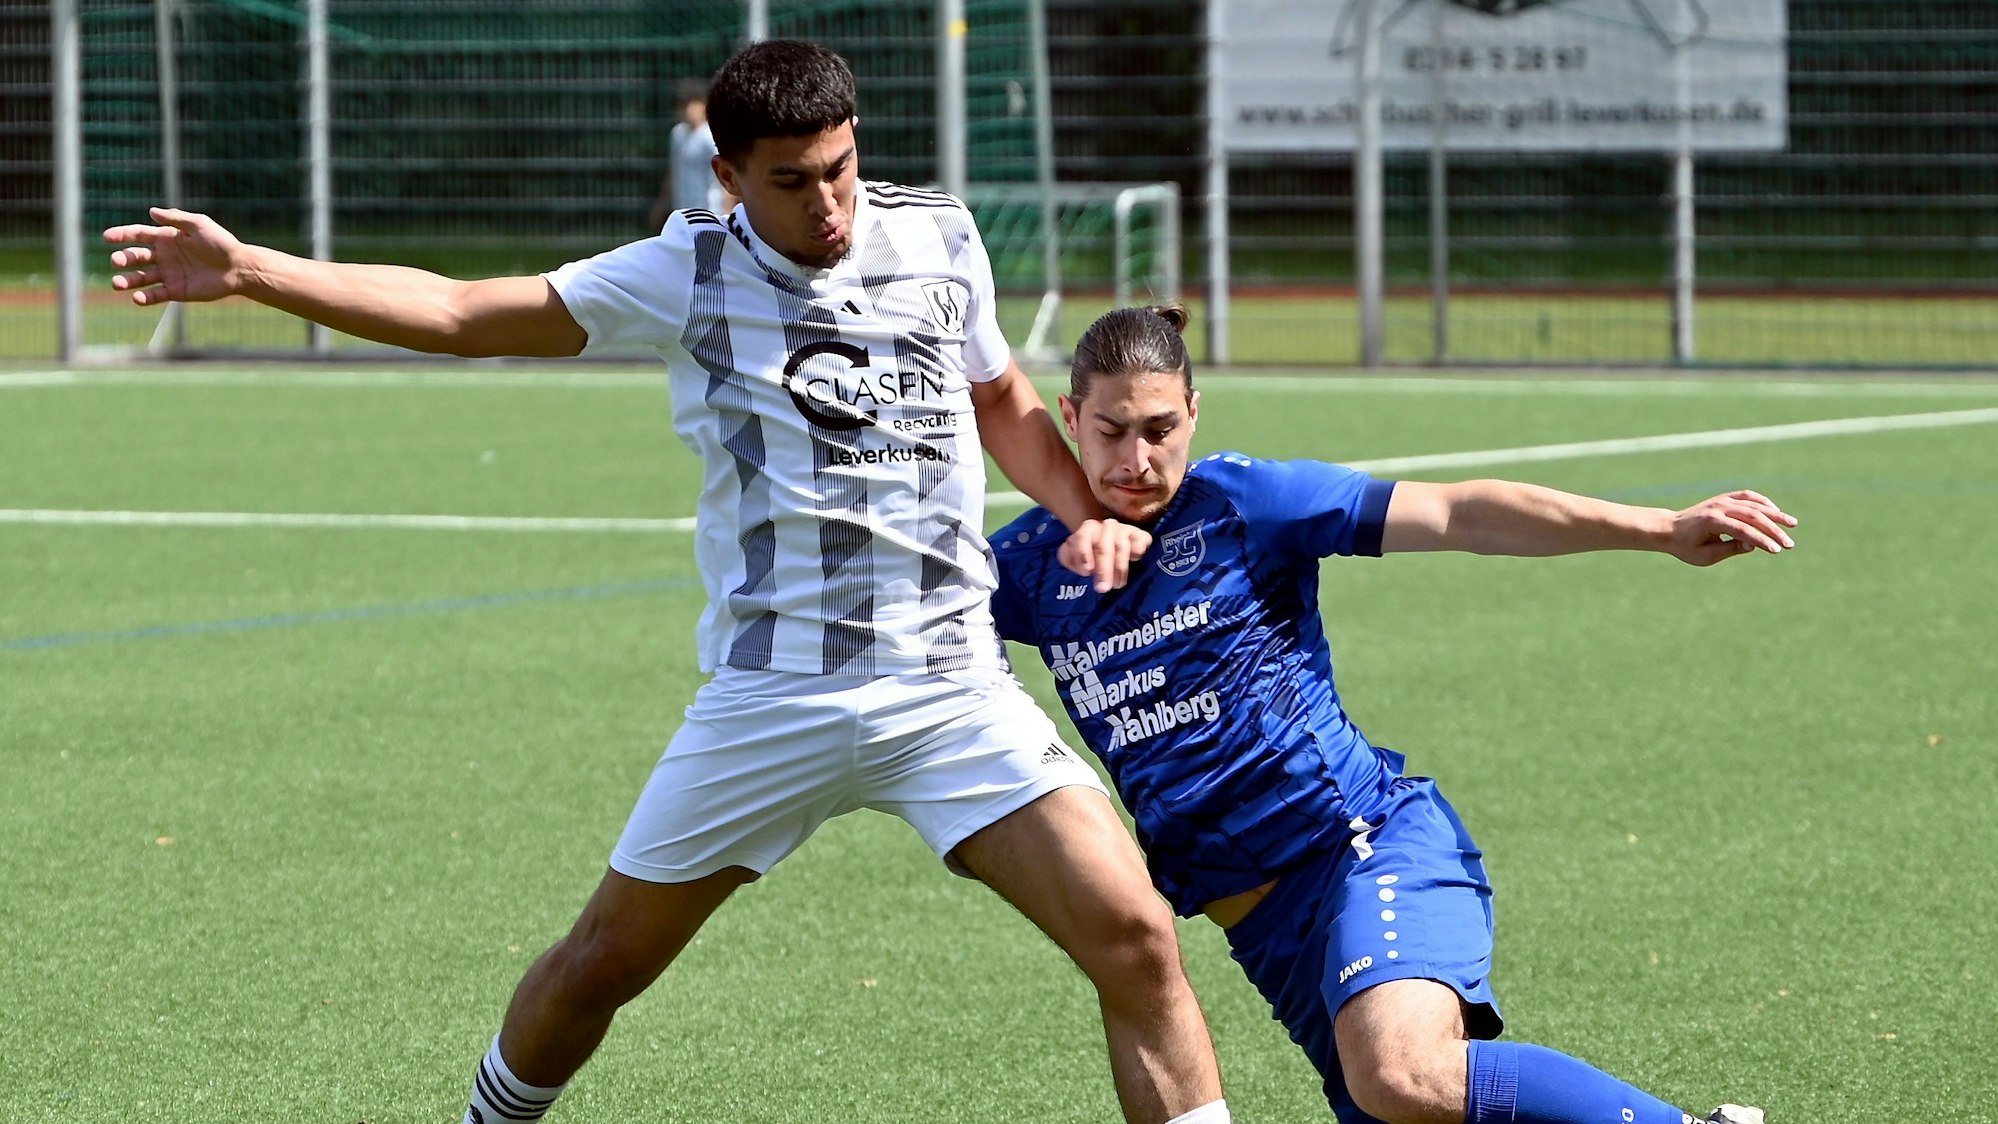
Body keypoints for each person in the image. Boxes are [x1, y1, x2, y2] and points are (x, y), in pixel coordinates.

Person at [104, 43, 1232, 1124]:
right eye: (790, 183)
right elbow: (458, 314)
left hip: (950, 687)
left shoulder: (940, 235)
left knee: (1135, 933)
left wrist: (1086, 515)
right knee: (601, 963)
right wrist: (251, 270)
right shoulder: (682, 271)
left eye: (839, 168)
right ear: (729, 177)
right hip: (770, 697)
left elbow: (998, 400)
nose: (828, 205)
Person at [988, 305, 1795, 1124]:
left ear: (1195, 413)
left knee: (1401, 1073)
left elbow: (1459, 513)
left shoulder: (1243, 504)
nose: (1138, 457)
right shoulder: (1026, 564)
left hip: (1365, 848)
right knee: (1408, 1095)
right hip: (1266, 933)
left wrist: (1659, 528)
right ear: (1068, 420)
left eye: (1160, 427)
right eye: (1112, 430)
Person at [646, 78, 731, 233]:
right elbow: (674, 172)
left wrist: (727, 213)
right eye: (682, 106)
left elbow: (727, 174)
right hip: (684, 214)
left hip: (710, 213)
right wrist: (661, 205)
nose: (687, 111)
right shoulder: (678, 134)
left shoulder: (710, 136)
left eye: (691, 104)